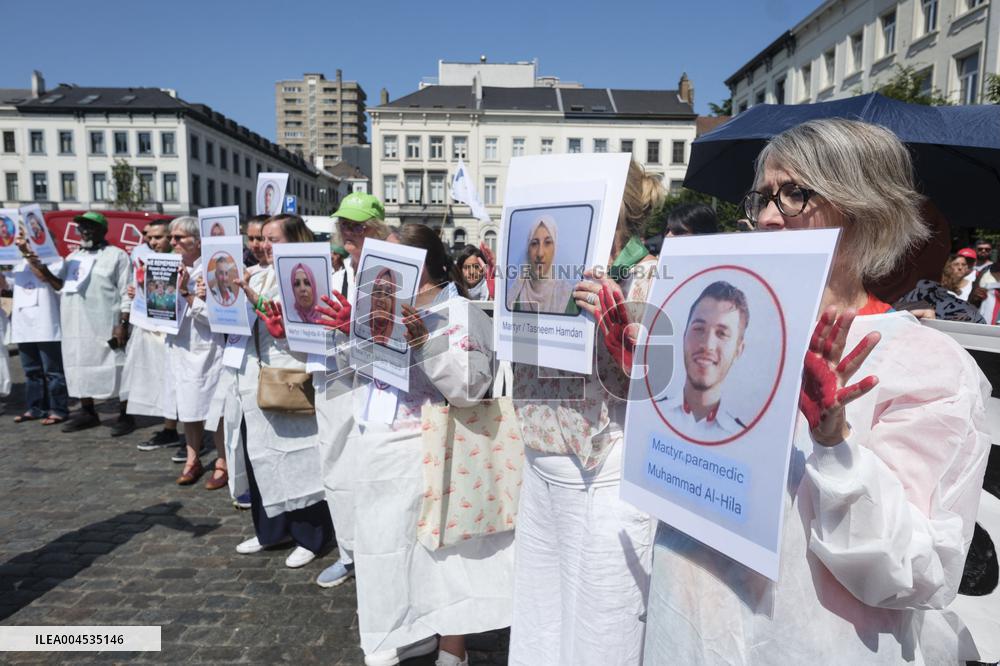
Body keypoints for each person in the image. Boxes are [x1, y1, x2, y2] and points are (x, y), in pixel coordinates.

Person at [642, 118, 990, 664]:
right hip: (686, 631)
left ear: (863, 208)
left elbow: (919, 570)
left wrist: (836, 443)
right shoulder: (741, 326)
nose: (765, 216)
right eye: (761, 197)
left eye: (794, 194)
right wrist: (649, 380)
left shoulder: (926, 366)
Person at [508, 160, 665, 666]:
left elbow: (668, 390)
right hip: (539, 467)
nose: (539, 249)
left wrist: (628, 351)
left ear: (616, 210)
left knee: (601, 632)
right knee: (540, 624)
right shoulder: (538, 280)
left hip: (602, 475)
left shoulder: (647, 276)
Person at [342, 223, 511, 666]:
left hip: (436, 450)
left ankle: (452, 649)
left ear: (425, 265)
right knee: (384, 550)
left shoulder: (459, 311)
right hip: (381, 443)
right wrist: (351, 336)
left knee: (445, 556)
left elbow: (470, 387)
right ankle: (397, 633)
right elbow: (363, 370)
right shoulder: (379, 303)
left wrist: (423, 344)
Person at [234, 214, 333, 569]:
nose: (263, 245)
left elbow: (295, 324)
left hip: (290, 373)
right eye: (261, 239)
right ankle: (271, 530)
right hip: (254, 375)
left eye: (272, 239)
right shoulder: (257, 273)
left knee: (299, 457)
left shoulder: (309, 274)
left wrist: (251, 297)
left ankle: (312, 535)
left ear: (295, 241)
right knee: (261, 454)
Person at [311, 192, 392, 590]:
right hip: (338, 388)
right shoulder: (337, 275)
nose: (350, 232)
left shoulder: (391, 275)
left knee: (377, 477)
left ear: (377, 229)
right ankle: (349, 555)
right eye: (345, 224)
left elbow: (402, 343)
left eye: (359, 225)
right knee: (339, 472)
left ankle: (381, 557)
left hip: (381, 394)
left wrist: (356, 330)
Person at [27, 212, 130, 432]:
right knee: (79, 366)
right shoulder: (73, 257)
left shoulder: (117, 255)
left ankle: (125, 413)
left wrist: (123, 322)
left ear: (103, 230)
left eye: (90, 227)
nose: (85, 231)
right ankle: (88, 411)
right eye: (81, 227)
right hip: (75, 323)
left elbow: (126, 291)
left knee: (117, 367)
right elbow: (59, 285)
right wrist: (42, 268)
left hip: (105, 322)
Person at [161, 217, 226, 489]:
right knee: (187, 406)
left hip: (208, 347)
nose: (173, 242)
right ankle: (192, 458)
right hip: (179, 345)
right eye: (171, 238)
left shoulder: (214, 269)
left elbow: (218, 317)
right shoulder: (166, 267)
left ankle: (222, 461)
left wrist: (188, 293)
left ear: (198, 242)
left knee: (216, 406)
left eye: (179, 238)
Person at [653, 280, 749, 440]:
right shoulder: (651, 413)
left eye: (722, 334)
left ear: (738, 350)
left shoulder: (743, 439)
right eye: (698, 329)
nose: (707, 345)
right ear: (684, 335)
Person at [123, 219, 186, 451]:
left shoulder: (181, 261)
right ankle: (169, 428)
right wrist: (136, 291)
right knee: (160, 381)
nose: (152, 241)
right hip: (150, 329)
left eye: (158, 237)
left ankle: (191, 434)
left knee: (177, 382)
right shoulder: (145, 258)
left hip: (173, 331)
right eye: (149, 237)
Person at [7, 232, 68, 425]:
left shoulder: (56, 261)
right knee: (31, 371)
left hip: (47, 324)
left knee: (53, 372)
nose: (25, 244)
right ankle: (36, 408)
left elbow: (44, 277)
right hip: (24, 324)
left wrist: (27, 254)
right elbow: (5, 286)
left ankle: (58, 409)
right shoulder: (18, 262)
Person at [508, 214, 578, 314]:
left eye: (548, 243)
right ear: (528, 250)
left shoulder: (568, 296)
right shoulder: (516, 293)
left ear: (555, 249)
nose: (540, 253)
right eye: (534, 243)